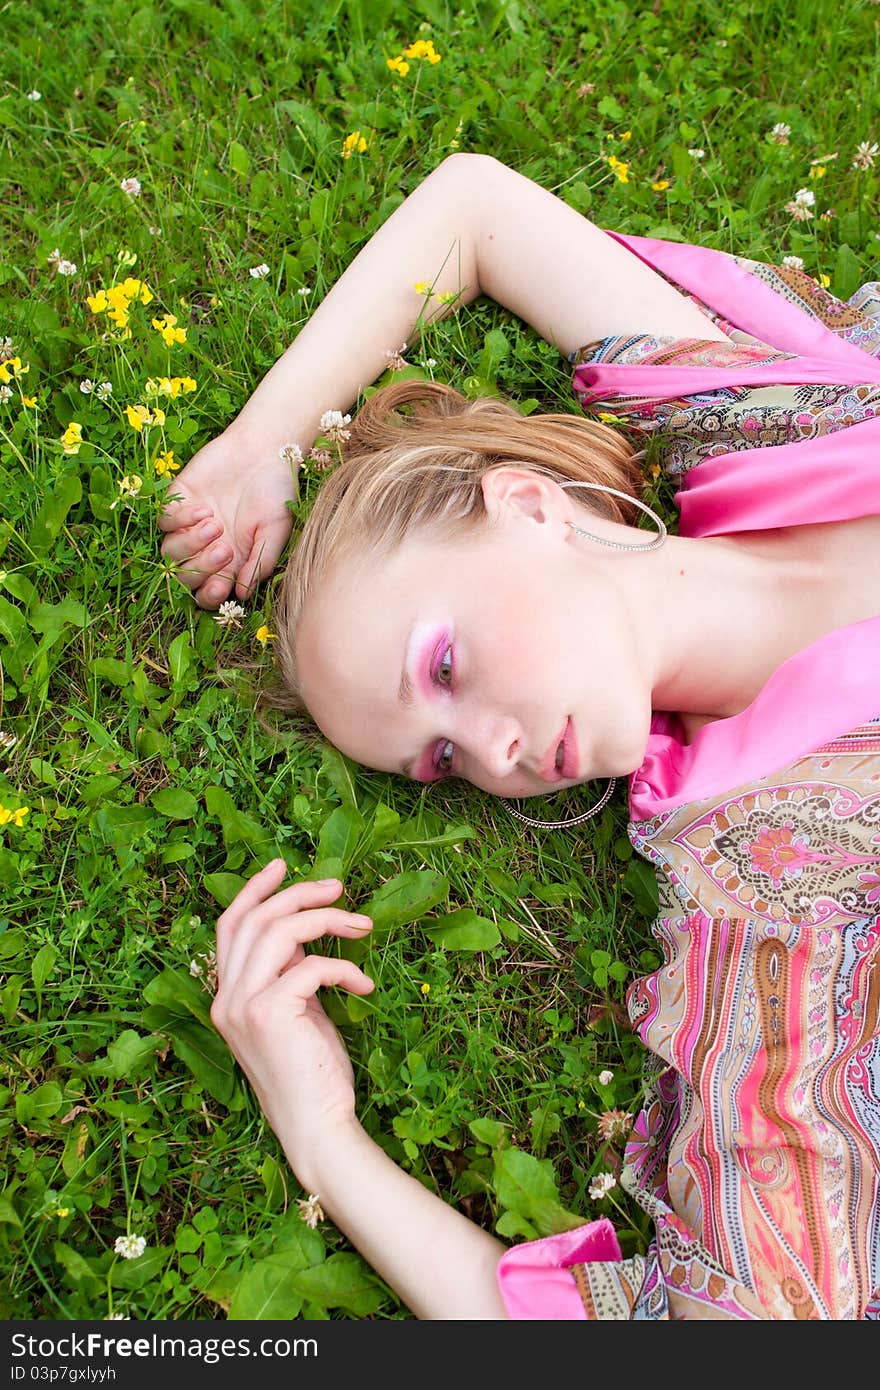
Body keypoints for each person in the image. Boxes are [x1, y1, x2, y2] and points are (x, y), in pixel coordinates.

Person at [159, 154, 880, 1320]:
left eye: (443, 665)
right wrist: (327, 1142)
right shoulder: (767, 896)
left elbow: (475, 209)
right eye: (438, 759)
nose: (489, 757)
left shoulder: (756, 408)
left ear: (532, 506)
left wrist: (266, 443)